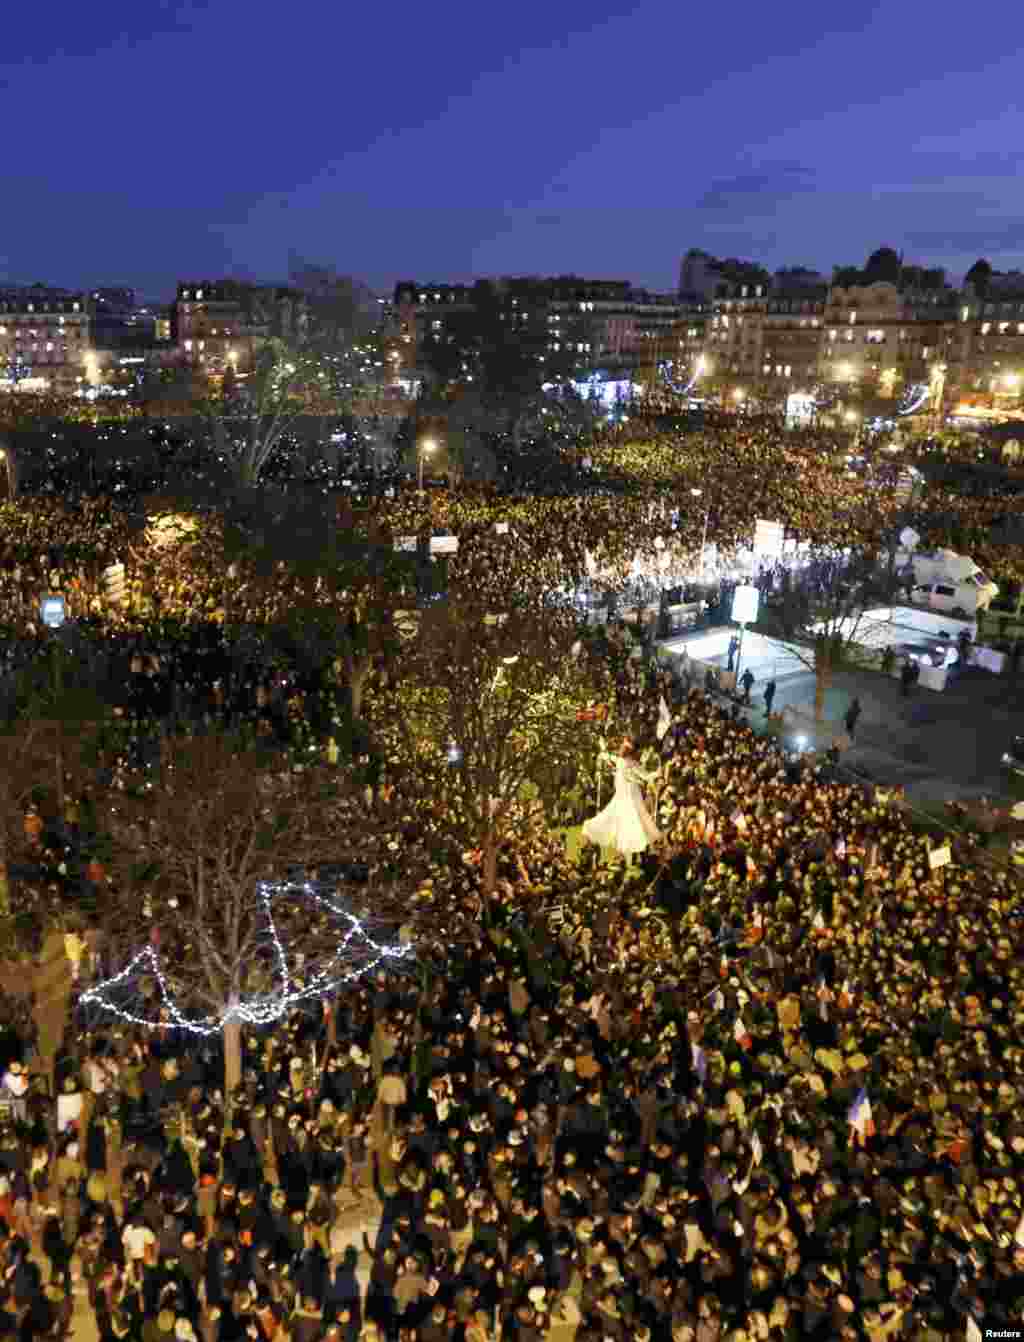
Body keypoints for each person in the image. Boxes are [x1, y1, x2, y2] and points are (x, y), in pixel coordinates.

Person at [582, 737, 661, 858]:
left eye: (623, 748)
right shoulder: (622, 761)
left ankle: (627, 850)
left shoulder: (628, 763)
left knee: (629, 820)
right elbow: (608, 758)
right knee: (619, 819)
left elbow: (643, 775)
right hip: (622, 796)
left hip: (629, 795)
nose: (620, 749)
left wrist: (654, 775)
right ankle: (622, 851)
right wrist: (603, 749)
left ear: (627, 751)